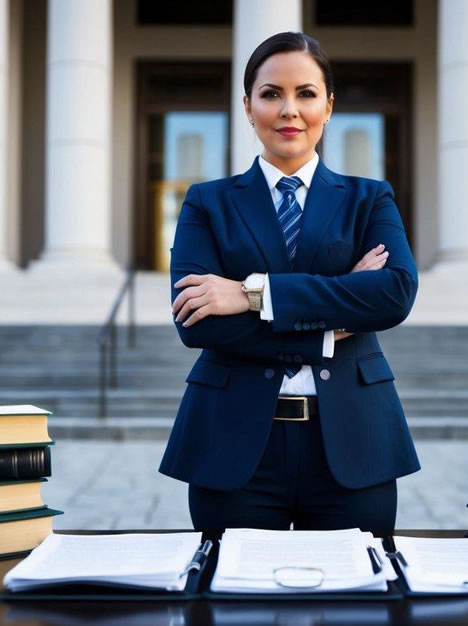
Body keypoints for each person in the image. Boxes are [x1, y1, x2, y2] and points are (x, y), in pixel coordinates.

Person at [159, 32, 420, 534]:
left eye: (306, 93)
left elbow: (392, 294)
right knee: (231, 604)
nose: (289, 110)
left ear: (328, 106)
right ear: (248, 106)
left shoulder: (370, 199)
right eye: (271, 93)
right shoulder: (206, 203)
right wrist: (334, 316)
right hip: (233, 446)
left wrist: (251, 293)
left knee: (355, 601)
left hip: (353, 440)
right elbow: (198, 324)